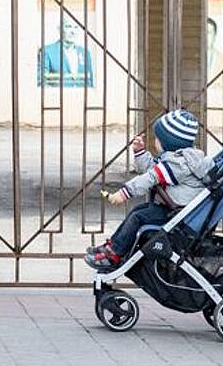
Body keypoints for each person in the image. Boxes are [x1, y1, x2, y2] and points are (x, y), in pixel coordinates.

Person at [83, 109, 212, 274]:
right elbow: (154, 170)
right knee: (139, 211)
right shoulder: (178, 158)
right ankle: (114, 246)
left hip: (181, 216)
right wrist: (140, 153)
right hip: (177, 210)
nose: (155, 141)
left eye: (158, 138)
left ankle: (114, 253)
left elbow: (151, 177)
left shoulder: (178, 164)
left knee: (138, 217)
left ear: (169, 142)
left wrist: (125, 192)